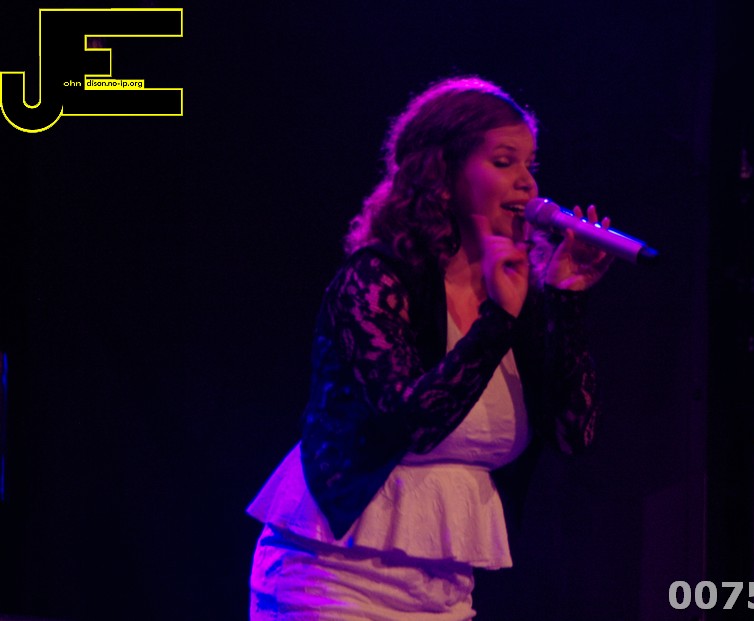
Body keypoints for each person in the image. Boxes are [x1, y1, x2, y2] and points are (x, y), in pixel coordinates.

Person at [247, 76, 613, 620]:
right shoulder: (376, 279)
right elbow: (414, 423)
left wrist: (566, 299)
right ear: (443, 173)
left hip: (444, 592)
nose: (527, 184)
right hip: (333, 577)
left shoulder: (519, 294)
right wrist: (496, 321)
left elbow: (573, 434)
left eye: (530, 165)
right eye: (504, 162)